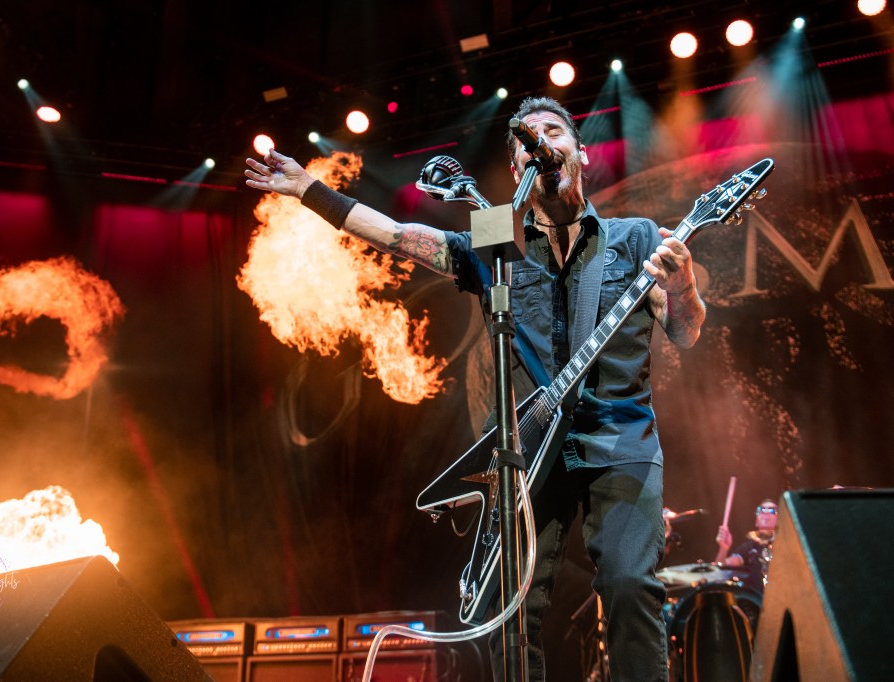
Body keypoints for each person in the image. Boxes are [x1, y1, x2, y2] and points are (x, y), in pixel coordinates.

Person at [245, 96, 706, 682]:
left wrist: (684, 286)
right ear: (516, 171)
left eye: (554, 131)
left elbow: (685, 331)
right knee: (509, 605)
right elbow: (398, 236)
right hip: (526, 445)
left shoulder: (634, 237)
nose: (542, 142)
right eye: (527, 140)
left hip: (620, 438)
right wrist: (311, 191)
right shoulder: (496, 242)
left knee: (628, 584)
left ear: (580, 152)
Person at [714, 498, 779, 593]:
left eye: (772, 510)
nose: (766, 513)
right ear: (756, 521)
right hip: (756, 599)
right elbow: (720, 571)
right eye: (761, 510)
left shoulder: (785, 545)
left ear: (778, 520)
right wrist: (723, 548)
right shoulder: (748, 547)